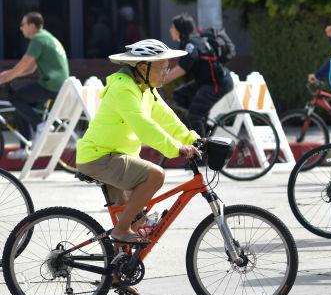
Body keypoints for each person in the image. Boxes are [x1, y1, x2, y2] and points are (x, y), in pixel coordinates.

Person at [76, 39, 200, 245]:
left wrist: (193, 139)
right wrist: (176, 148)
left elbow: (167, 118)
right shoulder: (123, 88)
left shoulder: (145, 88)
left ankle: (118, 262)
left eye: (167, 68)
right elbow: (143, 125)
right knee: (155, 176)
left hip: (117, 156)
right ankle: (121, 230)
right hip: (100, 157)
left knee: (137, 221)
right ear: (143, 68)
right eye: (162, 69)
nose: (166, 73)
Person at [0, 12, 69, 158]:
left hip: (52, 84)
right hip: (59, 84)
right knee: (21, 105)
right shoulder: (46, 37)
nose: (21, 28)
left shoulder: (38, 39)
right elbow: (30, 68)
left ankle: (40, 125)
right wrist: (9, 75)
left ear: (32, 26)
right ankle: (25, 147)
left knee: (16, 98)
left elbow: (21, 66)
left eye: (23, 24)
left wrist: (5, 77)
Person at [166, 13, 234, 137]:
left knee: (194, 116)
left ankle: (202, 147)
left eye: (173, 27)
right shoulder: (191, 41)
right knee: (179, 95)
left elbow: (183, 68)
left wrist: (162, 80)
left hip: (216, 83)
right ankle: (204, 126)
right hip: (206, 82)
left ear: (180, 30)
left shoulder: (191, 44)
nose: (170, 30)